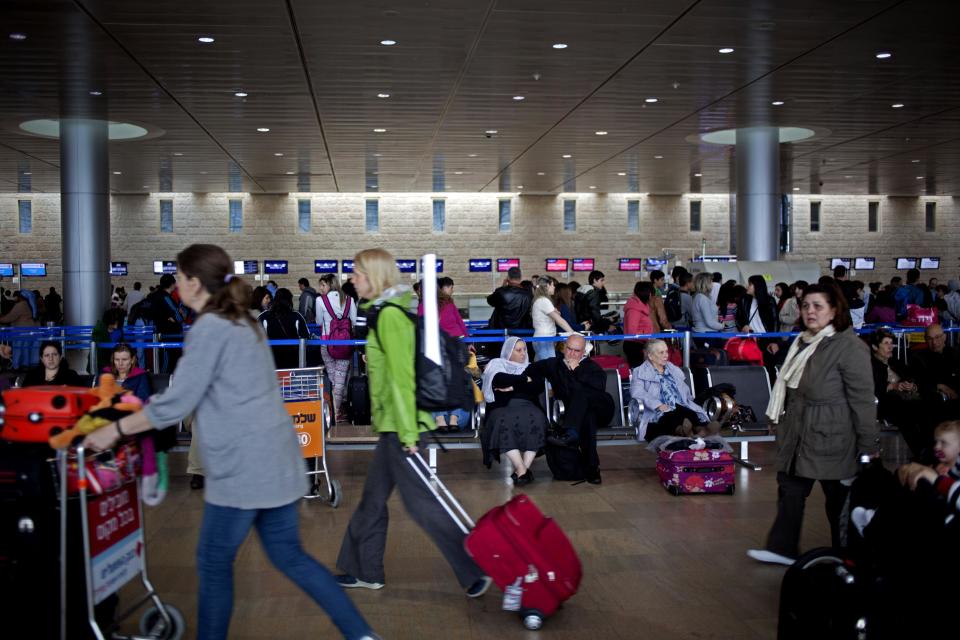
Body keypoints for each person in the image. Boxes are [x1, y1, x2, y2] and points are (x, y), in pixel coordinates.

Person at [82, 244, 377, 640]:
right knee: (291, 558)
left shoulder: (210, 327)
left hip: (243, 471)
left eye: (179, 277)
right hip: (277, 463)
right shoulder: (243, 320)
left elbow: (176, 401)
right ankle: (361, 634)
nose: (175, 285)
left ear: (193, 282)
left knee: (213, 561)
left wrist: (113, 430)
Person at [334, 248, 491, 598]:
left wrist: (407, 434)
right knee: (372, 501)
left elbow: (401, 379)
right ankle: (364, 569)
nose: (352, 279)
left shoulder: (389, 317)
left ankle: (473, 567)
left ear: (373, 276)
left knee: (420, 503)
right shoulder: (381, 313)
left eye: (357, 273)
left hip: (403, 428)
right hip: (393, 425)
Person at [748, 283, 876, 565]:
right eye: (806, 305)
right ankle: (782, 548)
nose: (810, 311)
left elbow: (863, 401)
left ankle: (848, 557)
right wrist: (779, 417)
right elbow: (792, 388)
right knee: (791, 490)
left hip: (833, 437)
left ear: (834, 311)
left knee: (838, 502)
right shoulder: (801, 341)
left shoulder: (849, 347)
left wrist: (869, 445)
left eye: (818, 306)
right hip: (799, 433)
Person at [524, 333, 613, 485]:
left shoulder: (593, 368)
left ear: (584, 352)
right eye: (569, 349)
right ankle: (592, 468)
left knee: (584, 395)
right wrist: (528, 379)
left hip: (603, 409)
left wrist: (576, 371)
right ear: (564, 348)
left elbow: (598, 390)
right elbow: (531, 369)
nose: (571, 354)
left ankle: (570, 432)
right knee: (587, 418)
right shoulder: (555, 364)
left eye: (576, 351)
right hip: (581, 416)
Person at [480, 337, 546, 485]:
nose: (523, 354)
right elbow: (499, 380)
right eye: (518, 350)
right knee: (503, 421)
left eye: (524, 350)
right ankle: (522, 469)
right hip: (502, 407)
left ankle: (522, 470)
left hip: (529, 406)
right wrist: (525, 380)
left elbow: (538, 385)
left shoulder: (531, 367)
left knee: (537, 418)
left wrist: (513, 387)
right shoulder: (497, 364)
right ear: (508, 352)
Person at [630, 339, 716, 440]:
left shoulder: (673, 369)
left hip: (679, 405)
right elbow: (637, 392)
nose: (666, 355)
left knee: (687, 411)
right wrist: (657, 404)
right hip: (657, 410)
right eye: (661, 352)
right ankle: (686, 431)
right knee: (671, 415)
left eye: (666, 351)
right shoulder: (640, 372)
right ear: (650, 356)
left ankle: (699, 429)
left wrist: (690, 402)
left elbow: (685, 392)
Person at [870, 330, 929, 460]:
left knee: (926, 407)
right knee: (904, 410)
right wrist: (893, 386)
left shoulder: (896, 362)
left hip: (905, 401)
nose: (890, 347)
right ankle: (921, 451)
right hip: (885, 403)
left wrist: (911, 385)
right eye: (886, 343)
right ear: (875, 347)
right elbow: (872, 388)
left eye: (891, 343)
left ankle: (929, 449)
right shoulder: (870, 366)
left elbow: (911, 377)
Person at [316, 274, 358, 417]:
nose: (320, 288)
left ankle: (332, 411)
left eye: (322, 285)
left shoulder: (320, 301)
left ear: (329, 285)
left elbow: (318, 322)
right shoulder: (349, 300)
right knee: (340, 379)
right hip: (345, 343)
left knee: (332, 376)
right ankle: (337, 411)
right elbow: (354, 321)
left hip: (327, 343)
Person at [259, 288, 311, 369]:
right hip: (293, 362)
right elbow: (306, 337)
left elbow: (257, 339)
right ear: (290, 300)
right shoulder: (296, 316)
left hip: (271, 362)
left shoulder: (264, 316)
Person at [530, 276, 574, 362]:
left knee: (539, 368)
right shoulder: (544, 300)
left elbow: (555, 316)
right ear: (547, 285)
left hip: (542, 339)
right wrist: (572, 333)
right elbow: (560, 321)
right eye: (553, 285)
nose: (554, 287)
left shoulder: (540, 300)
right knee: (550, 369)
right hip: (544, 340)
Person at [0, 290, 40, 370]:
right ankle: (29, 367)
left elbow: (10, 317)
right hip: (32, 330)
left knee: (18, 350)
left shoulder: (20, 305)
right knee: (29, 351)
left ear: (21, 297)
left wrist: (1, 318)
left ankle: (17, 367)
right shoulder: (31, 304)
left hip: (21, 332)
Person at [486, 266, 533, 331]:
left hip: (502, 331)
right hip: (522, 332)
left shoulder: (500, 292)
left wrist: (502, 287)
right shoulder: (528, 295)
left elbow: (490, 301)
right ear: (520, 278)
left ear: (508, 277)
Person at [622, 281, 654, 368]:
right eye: (651, 292)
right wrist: (646, 335)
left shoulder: (642, 307)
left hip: (640, 344)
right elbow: (632, 332)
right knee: (638, 374)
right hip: (635, 346)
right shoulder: (634, 309)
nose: (652, 295)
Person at [691, 272, 724, 338]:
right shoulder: (702, 298)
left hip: (703, 332)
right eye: (711, 281)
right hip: (706, 334)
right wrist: (722, 326)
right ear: (705, 283)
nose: (713, 284)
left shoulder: (700, 297)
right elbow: (709, 322)